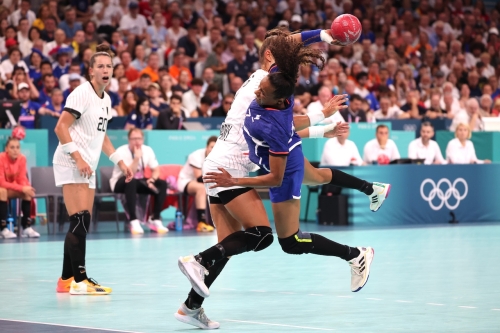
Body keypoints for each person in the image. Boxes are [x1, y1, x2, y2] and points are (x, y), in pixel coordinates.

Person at [175, 29, 388, 329]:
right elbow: (289, 53)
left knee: (236, 242)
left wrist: (321, 123)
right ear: (270, 56)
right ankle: (197, 267)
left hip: (222, 166)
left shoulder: (264, 87)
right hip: (229, 169)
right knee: (258, 236)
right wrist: (326, 35)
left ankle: (192, 305)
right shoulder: (266, 88)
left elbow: (286, 129)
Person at [53, 44, 133, 295]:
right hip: (71, 162)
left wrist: (120, 161)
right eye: (100, 66)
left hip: (88, 166)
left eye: (109, 66)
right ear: (90, 71)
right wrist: (77, 158)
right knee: (79, 220)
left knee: (82, 221)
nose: (106, 70)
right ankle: (80, 280)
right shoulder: (81, 93)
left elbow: (102, 136)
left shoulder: (107, 99)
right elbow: (60, 128)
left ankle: (66, 279)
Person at [110, 128, 168, 234]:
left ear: (143, 139)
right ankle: (133, 220)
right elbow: (129, 174)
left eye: (139, 138)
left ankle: (155, 218)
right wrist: (136, 158)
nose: (136, 141)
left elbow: (156, 170)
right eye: (134, 138)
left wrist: (152, 179)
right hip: (120, 182)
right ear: (128, 140)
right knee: (131, 181)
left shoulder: (147, 150)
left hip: (138, 182)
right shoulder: (121, 151)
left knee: (162, 184)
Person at [0, 135, 39, 238]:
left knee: (26, 192)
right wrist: (21, 188)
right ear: (6, 149)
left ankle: (26, 227)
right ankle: (3, 229)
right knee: (2, 191)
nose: (15, 150)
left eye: (17, 147)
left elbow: (22, 178)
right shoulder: (1, 158)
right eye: (12, 147)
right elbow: (2, 182)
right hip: (2, 189)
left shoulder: (22, 159)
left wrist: (26, 187)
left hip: (10, 189)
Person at [177, 136, 217, 232]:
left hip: (206, 183)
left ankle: (217, 221)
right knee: (202, 188)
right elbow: (199, 178)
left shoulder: (218, 158)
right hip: (186, 181)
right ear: (207, 147)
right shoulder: (195, 156)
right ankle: (201, 222)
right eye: (212, 147)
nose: (213, 150)